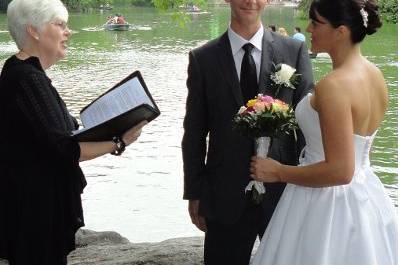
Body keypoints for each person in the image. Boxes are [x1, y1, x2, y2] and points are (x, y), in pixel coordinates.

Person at [250, 0, 398, 264]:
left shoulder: (334, 86)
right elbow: (360, 151)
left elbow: (340, 171)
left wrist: (279, 171)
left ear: (341, 31)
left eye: (316, 23)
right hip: (366, 196)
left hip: (324, 204)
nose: (308, 29)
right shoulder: (375, 75)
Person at [0, 0, 147, 264]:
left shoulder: (23, 74)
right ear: (33, 31)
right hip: (34, 216)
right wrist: (118, 141)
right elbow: (65, 148)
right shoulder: (27, 79)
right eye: (60, 25)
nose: (68, 32)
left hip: (33, 211)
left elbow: (62, 133)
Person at [181, 0, 314, 263]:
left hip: (282, 192)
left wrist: (305, 183)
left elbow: (307, 125)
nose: (250, 2)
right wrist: (194, 191)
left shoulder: (294, 50)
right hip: (224, 192)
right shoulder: (203, 58)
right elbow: (194, 132)